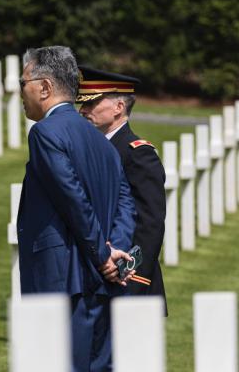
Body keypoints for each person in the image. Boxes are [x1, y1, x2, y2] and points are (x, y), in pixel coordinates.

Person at [17, 46, 136, 371]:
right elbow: (126, 202)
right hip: (101, 278)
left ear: (44, 87)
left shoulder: (45, 132)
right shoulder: (102, 140)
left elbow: (71, 197)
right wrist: (116, 249)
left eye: (22, 83)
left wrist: (101, 255)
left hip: (62, 275)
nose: (20, 93)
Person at [77, 65, 167, 313]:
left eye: (91, 103)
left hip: (127, 280)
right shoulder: (89, 150)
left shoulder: (137, 154)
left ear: (118, 108)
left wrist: (129, 271)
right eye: (82, 102)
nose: (82, 109)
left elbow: (150, 222)